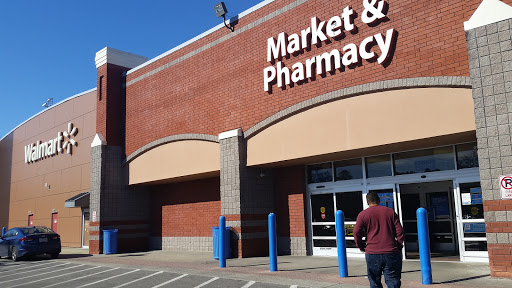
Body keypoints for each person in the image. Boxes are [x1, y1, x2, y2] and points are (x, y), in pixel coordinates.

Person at [353, 191, 404, 288]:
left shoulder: (363, 214)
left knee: (374, 282)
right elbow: (400, 231)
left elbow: (356, 232)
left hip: (372, 253)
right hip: (391, 252)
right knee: (393, 280)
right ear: (379, 200)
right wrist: (399, 245)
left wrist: (361, 246)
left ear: (367, 201)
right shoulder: (390, 212)